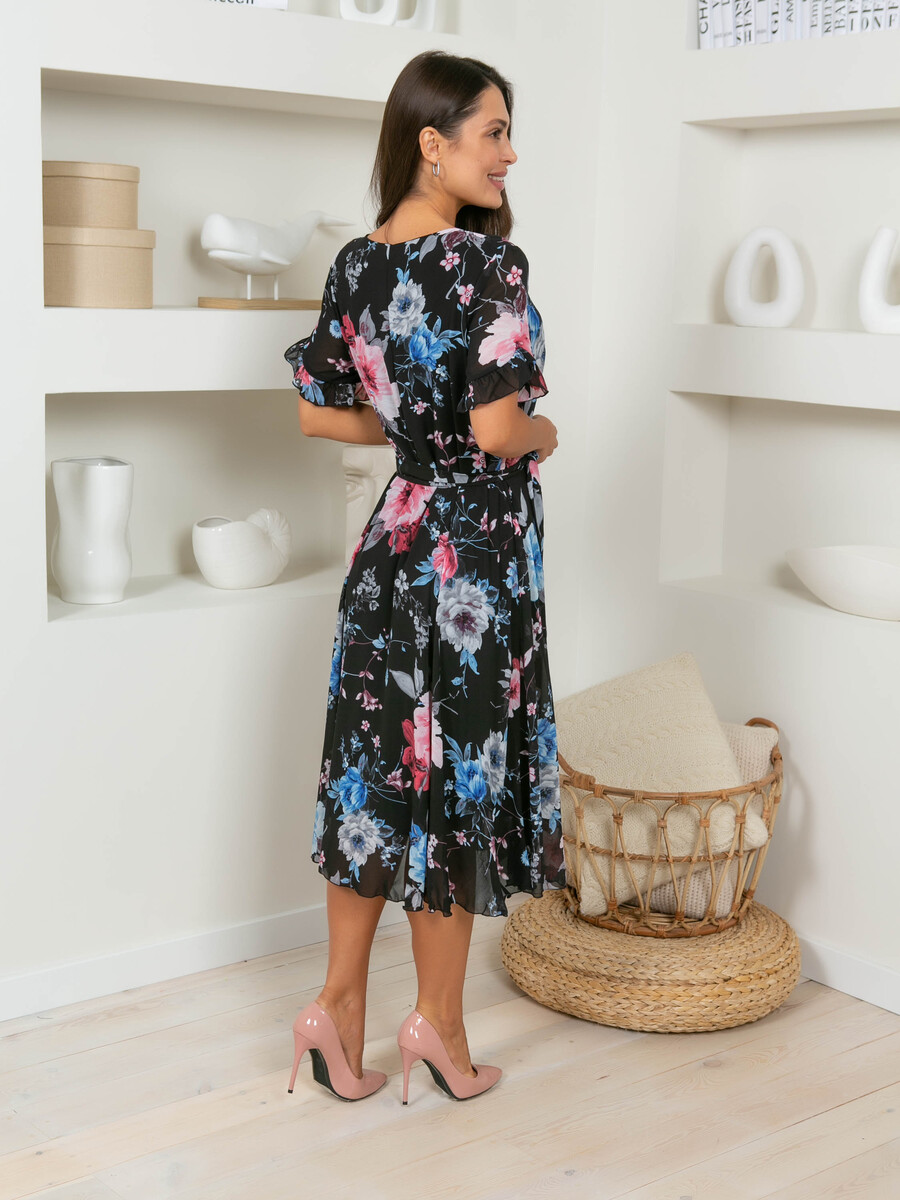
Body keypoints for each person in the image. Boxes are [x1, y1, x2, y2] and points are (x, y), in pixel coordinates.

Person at [283, 49, 564, 1105]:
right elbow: (496, 430)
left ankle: (335, 1005)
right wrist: (543, 433)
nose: (510, 153)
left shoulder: (355, 264)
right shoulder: (491, 265)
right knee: (452, 785)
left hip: (390, 547)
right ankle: (437, 1025)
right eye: (494, 132)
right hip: (471, 566)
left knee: (374, 779)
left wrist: (414, 430)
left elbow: (320, 414)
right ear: (431, 142)